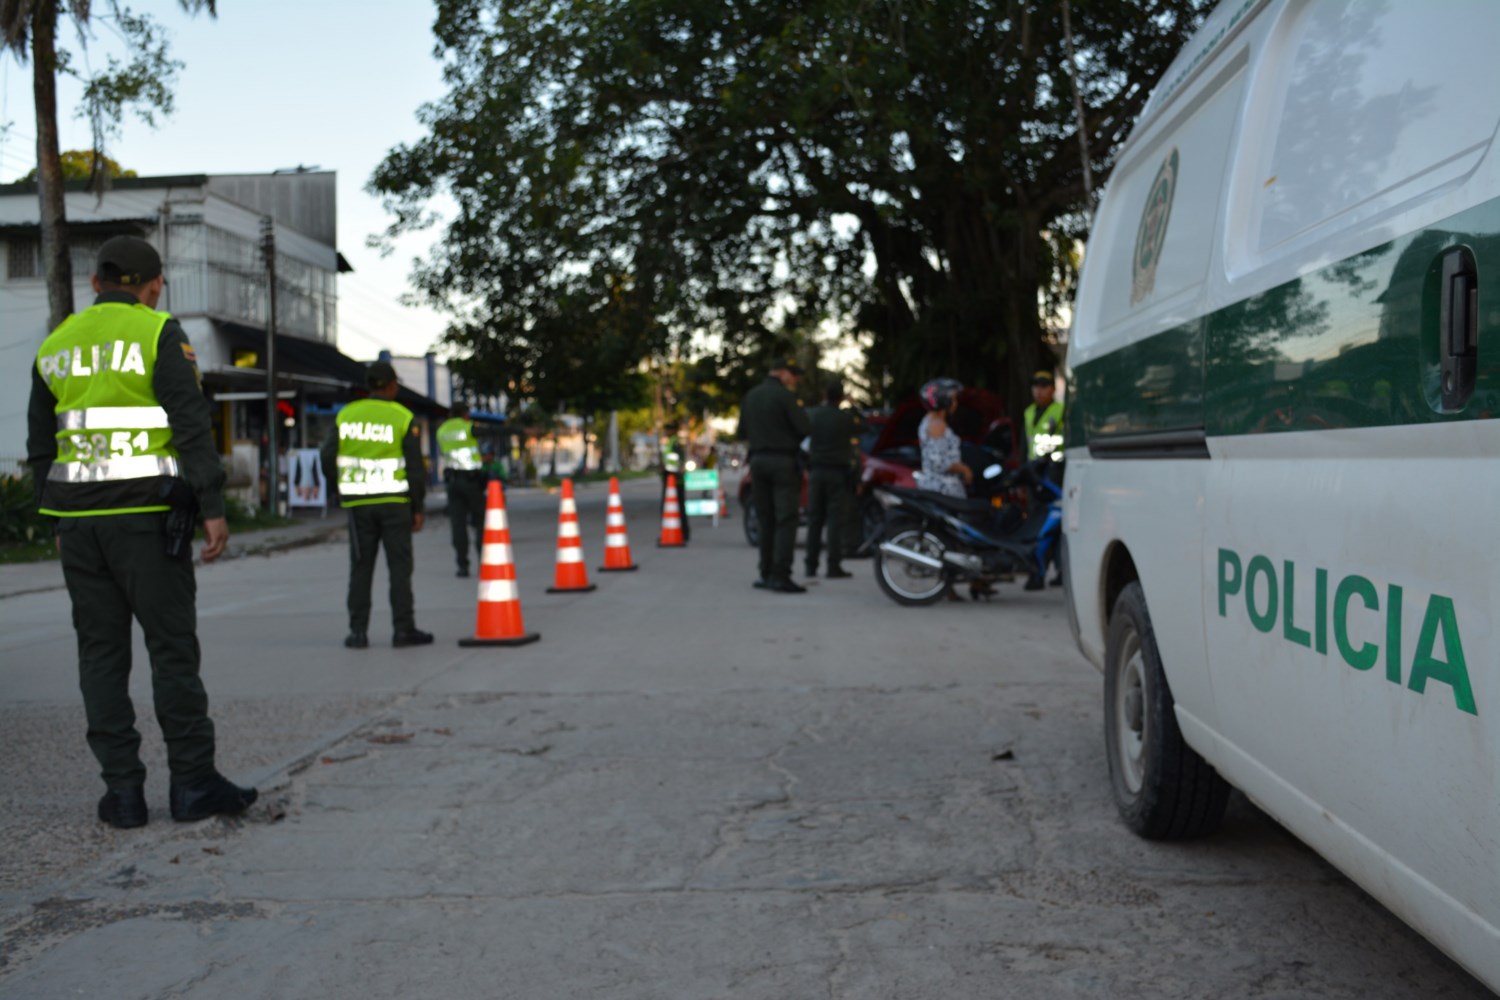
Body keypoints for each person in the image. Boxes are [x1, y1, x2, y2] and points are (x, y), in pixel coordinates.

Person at [25, 235, 257, 828]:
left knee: (100, 655)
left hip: (79, 525)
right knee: (171, 649)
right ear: (152, 285)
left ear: (98, 283)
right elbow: (189, 423)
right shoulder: (158, 333)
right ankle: (193, 784)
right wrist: (211, 505)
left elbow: (40, 447)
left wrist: (52, 517)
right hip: (147, 520)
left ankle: (123, 795)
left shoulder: (55, 344)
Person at [322, 362, 433, 649]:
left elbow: (327, 456)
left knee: (360, 567)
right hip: (395, 504)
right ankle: (403, 630)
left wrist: (340, 487)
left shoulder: (347, 415)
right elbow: (414, 468)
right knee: (399, 568)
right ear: (393, 386)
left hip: (359, 505)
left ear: (370, 385)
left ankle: (358, 632)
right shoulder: (402, 417)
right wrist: (417, 507)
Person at [736, 358, 811, 593]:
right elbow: (804, 428)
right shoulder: (785, 396)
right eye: (793, 374)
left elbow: (741, 431)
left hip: (757, 462)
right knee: (786, 519)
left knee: (765, 518)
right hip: (782, 463)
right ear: (781, 373)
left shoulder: (751, 396)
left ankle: (765, 572)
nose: (795, 379)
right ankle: (780, 575)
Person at [804, 378, 862, 579]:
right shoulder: (845, 418)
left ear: (824, 395)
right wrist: (853, 406)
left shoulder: (813, 414)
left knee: (815, 520)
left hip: (817, 472)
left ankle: (810, 565)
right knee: (835, 521)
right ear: (841, 397)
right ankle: (833, 565)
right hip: (837, 473)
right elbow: (863, 427)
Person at [437, 401, 485, 577]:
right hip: (471, 481)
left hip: (452, 482)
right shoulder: (468, 427)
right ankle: (484, 561)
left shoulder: (442, 430)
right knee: (480, 521)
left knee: (458, 524)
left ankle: (462, 565)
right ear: (465, 414)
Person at [917, 377, 971, 499]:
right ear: (944, 401)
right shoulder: (937, 425)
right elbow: (939, 463)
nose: (956, 403)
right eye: (953, 399)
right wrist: (965, 469)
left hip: (935, 487)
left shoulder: (930, 420)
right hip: (944, 490)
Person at [659, 422, 690, 543]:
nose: (665, 432)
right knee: (675, 507)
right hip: (672, 478)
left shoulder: (674, 442)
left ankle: (681, 532)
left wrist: (671, 473)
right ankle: (678, 532)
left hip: (674, 479)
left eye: (667, 430)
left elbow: (675, 462)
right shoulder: (670, 442)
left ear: (671, 430)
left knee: (674, 507)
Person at [1024, 370, 1065, 460]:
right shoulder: (1028, 412)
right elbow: (1024, 443)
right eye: (1035, 386)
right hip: (1033, 464)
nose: (1038, 391)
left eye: (1043, 386)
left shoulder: (1062, 409)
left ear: (1053, 389)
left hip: (1053, 464)